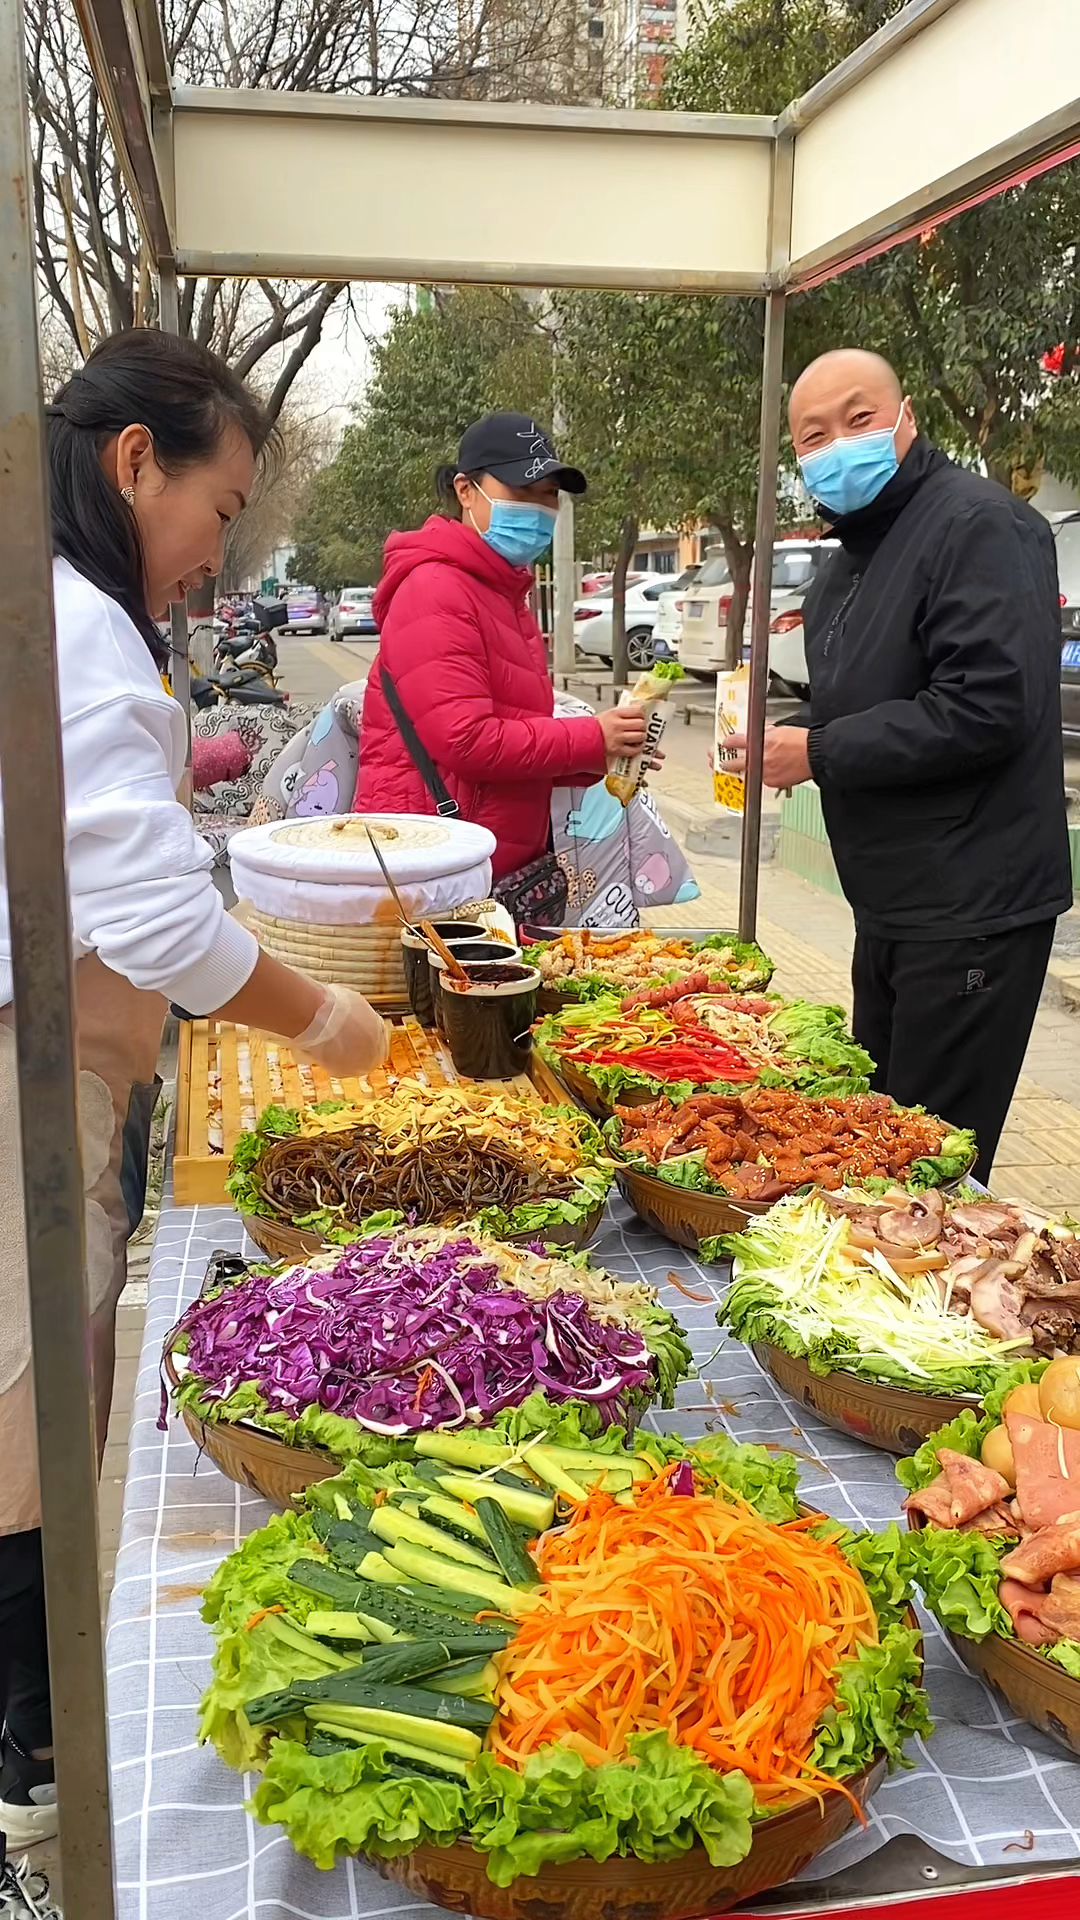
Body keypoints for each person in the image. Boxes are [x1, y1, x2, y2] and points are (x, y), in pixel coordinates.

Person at [0, 330, 388, 1853]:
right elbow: (158, 928)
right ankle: (37, 1763)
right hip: (27, 1087)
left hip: (61, 1070)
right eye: (219, 509)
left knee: (41, 1400)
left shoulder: (62, 601)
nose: (219, 553)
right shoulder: (78, 625)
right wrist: (329, 1025)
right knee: (28, 1424)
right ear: (131, 463)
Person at [727, 347, 1071, 1184]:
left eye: (859, 418)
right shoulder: (849, 562)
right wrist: (794, 733)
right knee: (878, 1135)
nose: (837, 444)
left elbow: (985, 706)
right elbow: (881, 694)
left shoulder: (979, 525)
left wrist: (816, 748)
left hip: (972, 904)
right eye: (813, 435)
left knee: (929, 1166)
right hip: (894, 904)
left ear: (906, 417)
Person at [354, 412, 648, 884]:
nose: (538, 509)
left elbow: (516, 738)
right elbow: (465, 740)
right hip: (431, 866)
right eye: (521, 492)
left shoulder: (503, 594)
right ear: (465, 491)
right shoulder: (437, 588)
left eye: (548, 495)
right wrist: (592, 737)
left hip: (483, 860)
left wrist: (605, 753)